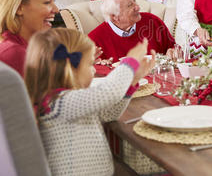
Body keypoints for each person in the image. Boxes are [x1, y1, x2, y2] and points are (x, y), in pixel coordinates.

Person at [25, 28, 155, 175]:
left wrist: (133, 80)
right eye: (90, 64)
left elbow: (109, 114)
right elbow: (108, 92)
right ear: (70, 68)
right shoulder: (58, 103)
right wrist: (129, 63)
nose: (93, 71)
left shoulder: (69, 100)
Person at [88, 0, 177, 63]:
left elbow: (173, 47)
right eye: (130, 5)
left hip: (157, 81)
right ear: (114, 16)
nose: (138, 7)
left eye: (135, 0)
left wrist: (173, 51)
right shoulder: (93, 41)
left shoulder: (153, 22)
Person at [0, 0, 59, 76]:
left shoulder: (32, 48)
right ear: (19, 8)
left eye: (53, 1)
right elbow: (53, 92)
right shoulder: (14, 54)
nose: (56, 9)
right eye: (47, 2)